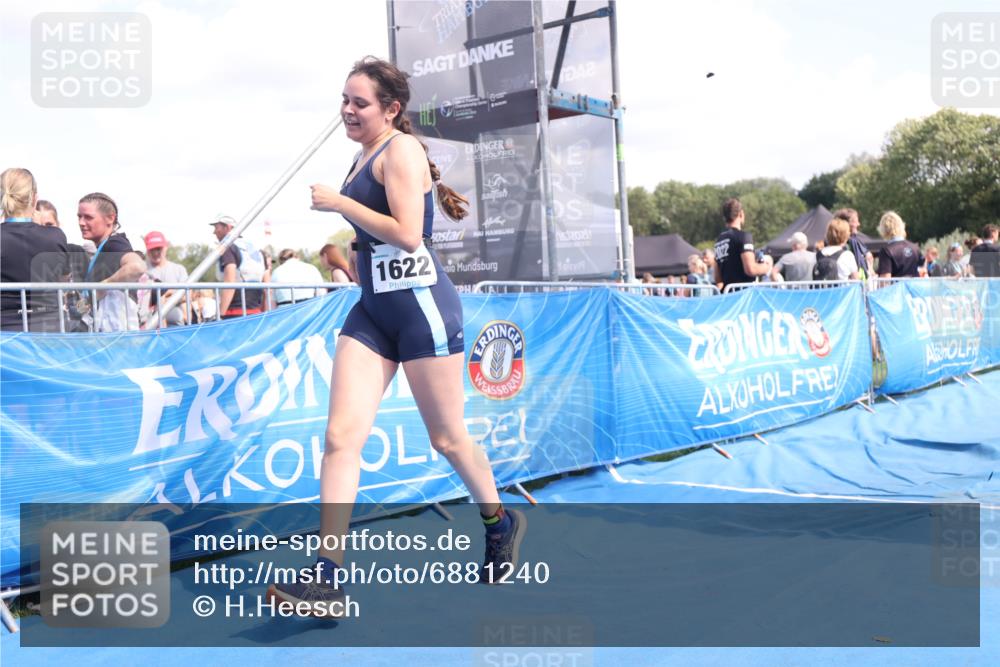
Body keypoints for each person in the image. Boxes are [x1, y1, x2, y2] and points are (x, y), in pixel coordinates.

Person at [266, 57, 526, 614]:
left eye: (359, 102)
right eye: (343, 100)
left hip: (423, 310)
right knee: (340, 438)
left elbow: (410, 236)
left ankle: (499, 521)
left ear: (391, 109)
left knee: (448, 439)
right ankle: (327, 576)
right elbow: (375, 246)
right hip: (374, 312)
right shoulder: (362, 155)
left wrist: (340, 204)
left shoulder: (401, 151)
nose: (347, 110)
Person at [1, 168, 69, 332]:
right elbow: (63, 280)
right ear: (34, 199)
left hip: (5, 334)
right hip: (48, 330)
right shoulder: (55, 237)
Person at [76, 192, 146, 331]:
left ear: (110, 219)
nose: (81, 222)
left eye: (88, 217)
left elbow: (137, 267)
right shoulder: (104, 248)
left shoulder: (114, 244)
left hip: (118, 340)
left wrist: (105, 284)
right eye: (79, 216)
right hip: (108, 338)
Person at [209, 216, 266, 318]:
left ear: (228, 228)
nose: (214, 232)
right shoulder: (255, 249)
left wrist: (219, 316)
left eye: (217, 228)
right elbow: (267, 284)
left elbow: (230, 283)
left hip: (235, 312)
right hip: (256, 311)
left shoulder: (228, 247)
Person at [713, 197, 772, 290]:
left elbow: (717, 278)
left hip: (728, 294)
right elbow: (750, 269)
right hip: (744, 295)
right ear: (741, 214)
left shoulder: (719, 240)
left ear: (724, 217)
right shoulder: (744, 237)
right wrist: (766, 266)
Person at [143, 231, 189, 326]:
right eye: (152, 249)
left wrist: (164, 298)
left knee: (177, 314)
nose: (156, 253)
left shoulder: (179, 269)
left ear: (166, 247)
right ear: (147, 250)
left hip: (175, 321)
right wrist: (168, 294)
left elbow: (188, 294)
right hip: (149, 320)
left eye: (159, 249)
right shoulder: (142, 270)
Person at [875, 211, 922, 278]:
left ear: (884, 228)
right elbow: (922, 271)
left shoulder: (886, 251)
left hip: (897, 288)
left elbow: (885, 280)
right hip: (914, 287)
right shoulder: (915, 248)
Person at [833, 208, 873, 279]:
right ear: (846, 224)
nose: (858, 224)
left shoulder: (856, 241)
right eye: (855, 221)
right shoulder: (852, 242)